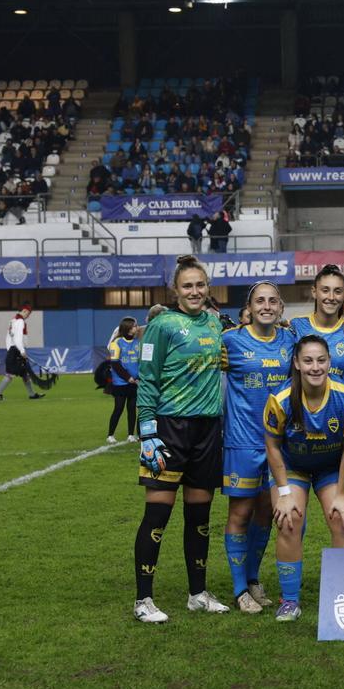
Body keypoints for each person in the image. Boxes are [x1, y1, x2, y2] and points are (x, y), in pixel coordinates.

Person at [131, 256, 227, 623]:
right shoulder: (162, 325)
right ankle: (143, 600)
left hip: (207, 431)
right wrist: (148, 432)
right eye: (187, 286)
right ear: (176, 290)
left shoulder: (216, 324)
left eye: (200, 285)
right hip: (169, 430)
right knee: (157, 515)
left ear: (208, 287)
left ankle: (197, 594)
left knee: (199, 518)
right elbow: (148, 379)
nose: (195, 292)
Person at [264, 335, 344, 620]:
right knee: (289, 520)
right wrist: (283, 494)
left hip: (332, 467)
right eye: (308, 361)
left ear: (330, 362)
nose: (315, 367)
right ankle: (289, 600)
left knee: (343, 519)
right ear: (296, 363)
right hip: (293, 467)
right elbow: (272, 447)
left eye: (321, 360)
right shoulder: (280, 399)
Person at [219, 282, 296, 613]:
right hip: (242, 441)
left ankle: (252, 579)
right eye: (259, 300)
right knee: (240, 512)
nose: (266, 305)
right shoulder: (231, 341)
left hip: (277, 443)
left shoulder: (289, 341)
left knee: (267, 511)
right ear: (249, 307)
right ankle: (239, 591)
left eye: (272, 300)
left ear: (280, 307)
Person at [289, 264, 344, 384]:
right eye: (325, 290)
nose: (331, 297)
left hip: (340, 401)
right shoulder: (296, 326)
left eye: (337, 291)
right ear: (314, 292)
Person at [0, 303, 42, 401]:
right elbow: (18, 338)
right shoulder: (20, 321)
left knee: (24, 374)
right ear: (24, 311)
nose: (28, 315)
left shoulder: (12, 320)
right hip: (17, 351)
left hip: (13, 350)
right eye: (28, 313)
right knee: (10, 374)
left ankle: (32, 394)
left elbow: (8, 337)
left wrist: (10, 349)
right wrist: (22, 350)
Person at [105, 316, 141, 442]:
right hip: (120, 383)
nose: (137, 328)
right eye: (134, 326)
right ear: (128, 328)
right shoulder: (117, 343)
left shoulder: (138, 343)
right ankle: (110, 435)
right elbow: (115, 364)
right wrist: (128, 377)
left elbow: (140, 362)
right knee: (119, 408)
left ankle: (131, 435)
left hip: (134, 382)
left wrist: (138, 377)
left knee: (132, 409)